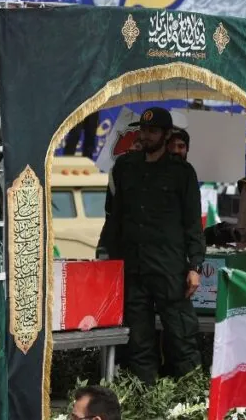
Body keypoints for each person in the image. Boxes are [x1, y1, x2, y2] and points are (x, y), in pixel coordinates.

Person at [99, 107, 204, 385]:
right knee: (138, 339)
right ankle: (145, 397)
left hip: (169, 267)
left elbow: (193, 223)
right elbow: (115, 217)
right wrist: (106, 254)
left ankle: (193, 397)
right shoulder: (125, 167)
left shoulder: (182, 172)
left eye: (153, 131)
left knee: (181, 335)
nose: (146, 135)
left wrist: (195, 266)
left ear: (167, 135)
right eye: (143, 130)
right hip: (134, 266)